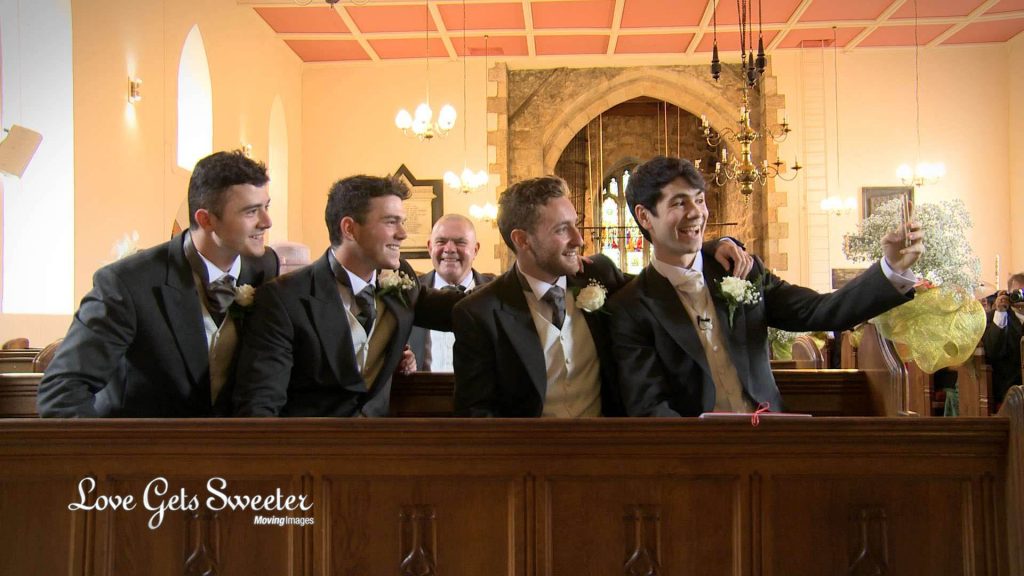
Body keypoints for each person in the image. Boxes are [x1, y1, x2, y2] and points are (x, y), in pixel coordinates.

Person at [608, 155, 925, 417]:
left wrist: (890, 270)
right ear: (645, 217)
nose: (696, 213)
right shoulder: (631, 307)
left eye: (700, 200)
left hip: (773, 436)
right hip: (696, 458)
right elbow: (649, 406)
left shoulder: (740, 269)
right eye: (679, 203)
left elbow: (820, 311)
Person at [451, 175, 750, 418]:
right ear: (522, 240)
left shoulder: (599, 274)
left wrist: (712, 247)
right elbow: (478, 415)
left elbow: (664, 280)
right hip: (528, 464)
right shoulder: (480, 312)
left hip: (608, 455)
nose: (578, 239)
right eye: (561, 230)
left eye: (575, 225)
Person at [37, 150, 278, 417]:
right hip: (141, 449)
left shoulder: (265, 269)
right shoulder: (127, 284)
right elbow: (62, 390)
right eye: (251, 211)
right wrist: (106, 456)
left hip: (231, 450)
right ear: (205, 219)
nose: (267, 222)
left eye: (266, 207)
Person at [232, 175, 461, 417]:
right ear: (349, 228)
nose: (403, 233)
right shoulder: (285, 298)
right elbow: (260, 404)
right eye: (391, 222)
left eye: (402, 222)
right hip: (309, 447)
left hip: (380, 445)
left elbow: (462, 311)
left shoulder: (401, 279)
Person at [408, 214, 495, 371]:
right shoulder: (408, 293)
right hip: (418, 392)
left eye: (460, 242)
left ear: (475, 250)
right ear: (429, 247)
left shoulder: (495, 293)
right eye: (441, 242)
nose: (449, 249)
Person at [983, 272, 1024, 408]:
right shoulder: (994, 317)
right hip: (1010, 385)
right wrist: (1000, 312)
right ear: (1008, 294)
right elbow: (993, 351)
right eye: (1017, 293)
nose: (1021, 297)